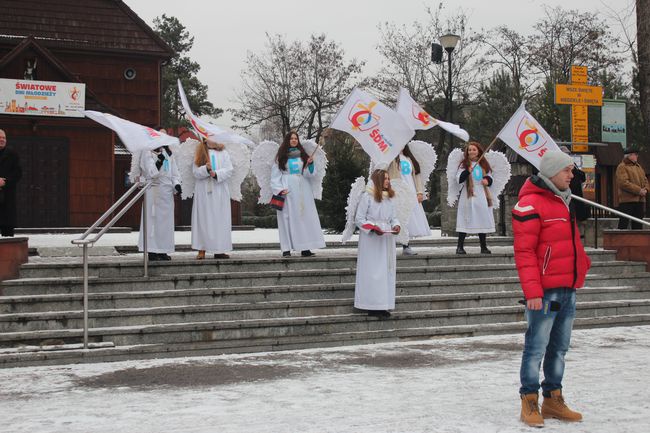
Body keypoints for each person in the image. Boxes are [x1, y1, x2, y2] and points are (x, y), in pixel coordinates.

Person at [512, 151, 591, 427]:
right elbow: (524, 252)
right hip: (545, 292)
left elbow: (570, 242)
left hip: (567, 287)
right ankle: (529, 400)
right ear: (552, 172)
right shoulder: (530, 204)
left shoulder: (564, 200)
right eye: (567, 171)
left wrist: (582, 265)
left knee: (559, 347)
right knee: (536, 347)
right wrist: (532, 291)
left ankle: (553, 399)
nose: (572, 176)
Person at [354, 169, 400, 318]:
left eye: (388, 178)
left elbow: (394, 217)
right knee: (373, 271)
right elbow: (359, 219)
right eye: (385, 179)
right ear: (378, 180)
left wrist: (396, 225)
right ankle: (372, 305)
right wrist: (373, 228)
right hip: (371, 240)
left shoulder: (390, 198)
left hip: (386, 238)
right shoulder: (367, 196)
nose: (387, 181)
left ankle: (383, 304)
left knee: (386, 271)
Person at [271, 131, 326, 257]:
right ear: (287, 141)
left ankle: (305, 247)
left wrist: (310, 164)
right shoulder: (280, 157)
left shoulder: (303, 156)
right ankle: (286, 248)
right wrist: (279, 189)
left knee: (303, 217)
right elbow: (274, 177)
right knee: (287, 218)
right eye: (291, 138)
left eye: (296, 138)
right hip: (288, 190)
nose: (294, 140)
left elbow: (310, 174)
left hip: (303, 189)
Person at [191, 137, 233, 259]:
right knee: (204, 219)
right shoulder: (200, 152)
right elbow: (195, 172)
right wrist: (205, 169)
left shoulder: (224, 153)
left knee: (219, 220)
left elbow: (229, 169)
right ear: (205, 140)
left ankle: (219, 249)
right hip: (204, 192)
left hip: (219, 191)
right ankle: (202, 248)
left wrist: (216, 174)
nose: (213, 140)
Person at [137, 144, 181, 261]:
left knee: (165, 223)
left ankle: (163, 249)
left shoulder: (168, 153)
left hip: (166, 193)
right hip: (154, 190)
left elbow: (174, 173)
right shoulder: (148, 152)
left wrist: (176, 184)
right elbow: (151, 173)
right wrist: (159, 162)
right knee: (153, 221)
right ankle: (152, 250)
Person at [388, 145, 430, 255]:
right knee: (397, 217)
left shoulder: (409, 159)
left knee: (408, 218)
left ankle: (406, 246)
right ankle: (389, 246)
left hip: (410, 191)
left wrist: (420, 192)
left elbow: (416, 176)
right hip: (397, 191)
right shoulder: (390, 158)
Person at [454, 142, 494, 254]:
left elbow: (490, 177)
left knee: (482, 217)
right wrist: (467, 171)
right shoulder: (464, 165)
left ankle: (483, 246)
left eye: (474, 149)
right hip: (468, 194)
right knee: (465, 218)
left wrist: (487, 181)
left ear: (479, 151)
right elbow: (459, 179)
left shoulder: (484, 164)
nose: (471, 151)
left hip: (481, 194)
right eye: (469, 150)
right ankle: (460, 246)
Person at [559, 146, 590, 235]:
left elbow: (581, 176)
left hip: (575, 192)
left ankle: (577, 233)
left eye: (568, 154)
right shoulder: (564, 165)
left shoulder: (573, 164)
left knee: (576, 212)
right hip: (569, 192)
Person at [615, 146, 648, 229]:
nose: (637, 156)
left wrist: (646, 190)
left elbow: (645, 180)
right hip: (627, 201)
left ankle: (637, 241)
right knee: (623, 224)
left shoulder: (639, 167)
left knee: (638, 224)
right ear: (629, 156)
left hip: (640, 200)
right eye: (635, 154)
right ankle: (621, 241)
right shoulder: (622, 166)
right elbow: (623, 183)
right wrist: (639, 190)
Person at [0, 129, 23, 237]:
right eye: (0, 138)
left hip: (7, 198)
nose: (2, 140)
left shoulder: (12, 154)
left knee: (7, 232)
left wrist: (5, 182)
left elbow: (18, 174)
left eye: (4, 138)